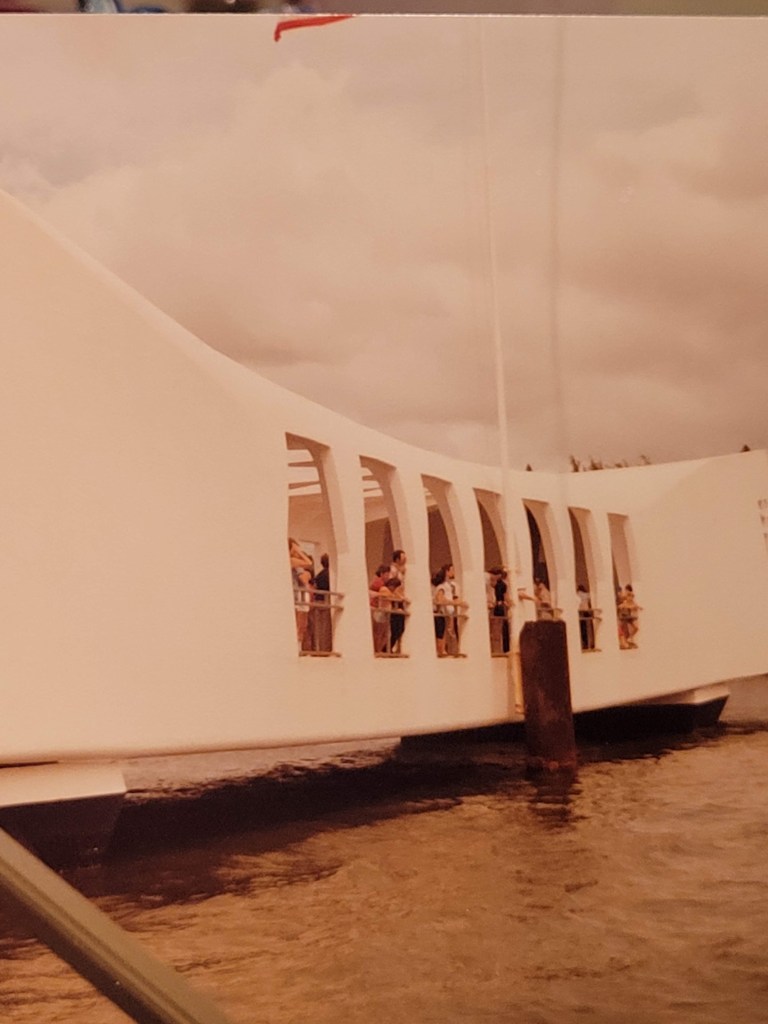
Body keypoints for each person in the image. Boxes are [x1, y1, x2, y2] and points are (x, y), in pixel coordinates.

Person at [433, 563, 467, 656]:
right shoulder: (441, 586)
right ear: (446, 572)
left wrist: (460, 602)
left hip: (450, 613)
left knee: (451, 632)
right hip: (443, 612)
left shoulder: (450, 586)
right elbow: (440, 599)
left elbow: (453, 597)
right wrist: (454, 603)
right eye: (452, 570)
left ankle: (452, 651)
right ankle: (442, 651)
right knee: (442, 633)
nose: (453, 572)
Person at [289, 538, 313, 649]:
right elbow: (309, 562)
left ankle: (298, 647)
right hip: (298, 597)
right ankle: (297, 648)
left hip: (299, 596)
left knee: (301, 625)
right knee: (300, 624)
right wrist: (298, 552)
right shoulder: (291, 561)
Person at [311, 553, 332, 653]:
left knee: (319, 627)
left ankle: (319, 647)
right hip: (325, 601)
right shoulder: (330, 575)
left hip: (318, 600)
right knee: (325, 627)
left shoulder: (320, 574)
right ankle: (324, 648)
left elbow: (314, 585)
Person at [369, 564, 392, 654]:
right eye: (387, 574)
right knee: (379, 631)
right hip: (377, 608)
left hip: (382, 609)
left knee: (384, 633)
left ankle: (379, 649)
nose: (388, 576)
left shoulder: (382, 583)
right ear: (382, 574)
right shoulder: (378, 583)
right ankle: (377, 650)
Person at [617, 584, 641, 648]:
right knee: (622, 630)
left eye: (631, 597)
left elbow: (634, 606)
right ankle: (624, 642)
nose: (630, 598)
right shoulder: (625, 601)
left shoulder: (631, 601)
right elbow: (621, 606)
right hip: (624, 617)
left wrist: (638, 607)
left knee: (636, 628)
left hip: (628, 617)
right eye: (629, 597)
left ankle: (628, 639)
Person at [577, 584, 594, 650]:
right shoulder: (587, 595)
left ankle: (583, 644)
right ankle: (589, 644)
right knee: (588, 629)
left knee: (582, 629)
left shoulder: (577, 595)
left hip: (580, 613)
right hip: (586, 612)